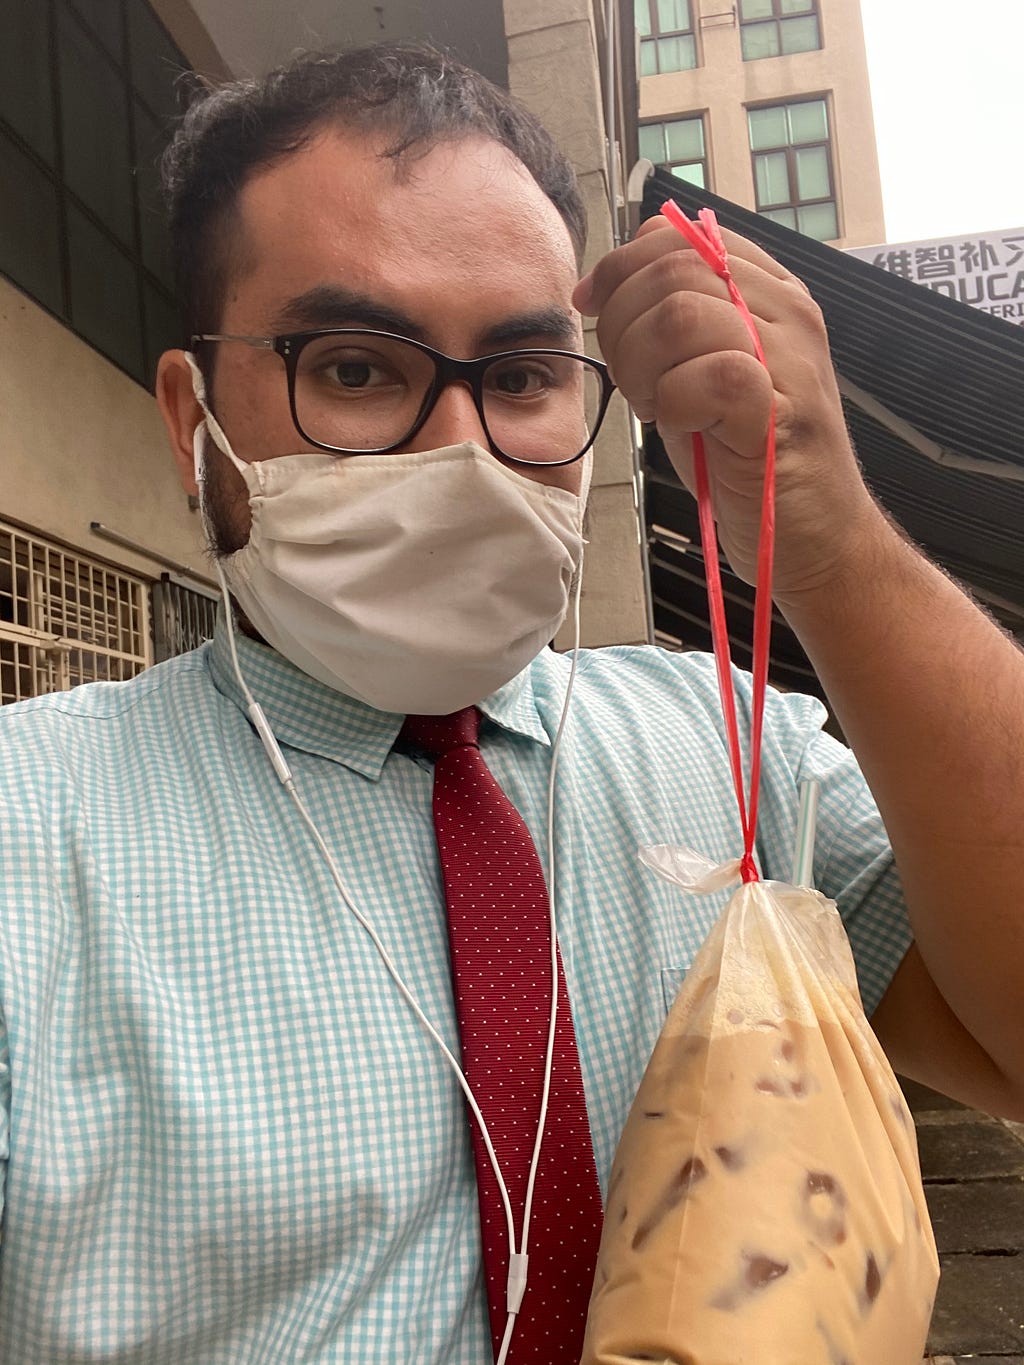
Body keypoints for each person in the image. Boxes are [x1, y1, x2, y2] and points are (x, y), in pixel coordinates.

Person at [0, 41, 1021, 1365]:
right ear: (193, 416)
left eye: (526, 375)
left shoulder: (735, 754)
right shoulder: (35, 834)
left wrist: (830, 551)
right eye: (357, 368)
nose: (463, 451)